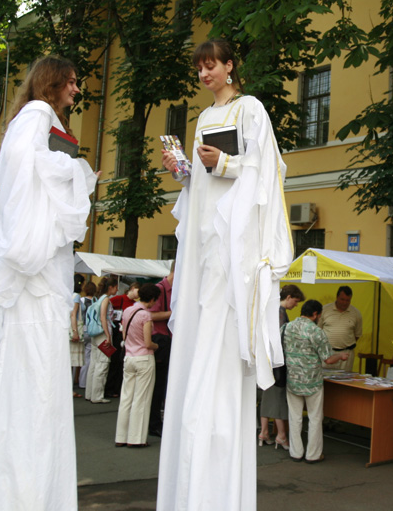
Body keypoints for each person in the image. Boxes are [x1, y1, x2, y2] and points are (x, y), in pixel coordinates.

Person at [157, 38, 292, 510]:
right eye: (198, 68)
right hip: (207, 240)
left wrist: (226, 162)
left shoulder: (250, 109)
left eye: (210, 65)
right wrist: (186, 170)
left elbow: (266, 169)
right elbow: (202, 182)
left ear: (230, 66)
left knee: (221, 336)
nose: (204, 74)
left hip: (234, 243)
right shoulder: (201, 119)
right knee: (200, 340)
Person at [0, 55, 98, 510]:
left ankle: (25, 492)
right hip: (33, 277)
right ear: (54, 83)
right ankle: (27, 495)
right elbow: (23, 181)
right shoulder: (39, 116)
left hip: (38, 276)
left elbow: (18, 181)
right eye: (73, 82)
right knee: (35, 389)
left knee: (32, 388)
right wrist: (75, 176)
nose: (77, 90)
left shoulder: (32, 120)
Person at [283, 299, 349, 463]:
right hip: (312, 381)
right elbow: (328, 359)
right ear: (315, 314)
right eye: (319, 315)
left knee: (295, 417)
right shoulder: (316, 332)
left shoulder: (287, 327)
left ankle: (295, 452)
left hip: (292, 379)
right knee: (314, 418)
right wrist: (341, 355)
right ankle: (313, 454)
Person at [259, 284, 304, 449]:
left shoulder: (273, 309)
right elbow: (278, 338)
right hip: (277, 362)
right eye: (296, 301)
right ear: (289, 297)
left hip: (268, 361)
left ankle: (264, 432)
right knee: (278, 398)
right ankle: (281, 435)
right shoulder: (280, 312)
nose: (296, 305)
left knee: (268, 396)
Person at [115, 283, 160, 448]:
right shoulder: (146, 315)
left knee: (126, 397)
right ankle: (136, 438)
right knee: (141, 399)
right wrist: (157, 346)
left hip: (129, 356)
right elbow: (148, 342)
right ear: (153, 299)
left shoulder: (128, 311)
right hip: (143, 358)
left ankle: (121, 436)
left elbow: (125, 334)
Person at [147, 265, 173, 437]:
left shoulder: (172, 289)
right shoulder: (159, 289)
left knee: (165, 384)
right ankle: (154, 422)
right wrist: (173, 313)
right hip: (160, 340)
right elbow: (149, 315)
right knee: (158, 385)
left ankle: (160, 421)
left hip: (168, 340)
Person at [86, 276, 118, 404]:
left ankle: (90, 393)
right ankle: (97, 395)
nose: (116, 290)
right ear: (110, 287)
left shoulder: (98, 299)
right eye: (116, 287)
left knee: (94, 363)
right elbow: (103, 318)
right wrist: (108, 335)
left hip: (95, 334)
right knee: (103, 363)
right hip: (102, 333)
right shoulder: (106, 300)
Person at [105, 282, 140, 398]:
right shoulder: (118, 299)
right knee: (114, 361)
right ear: (133, 288)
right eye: (138, 291)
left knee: (121, 362)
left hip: (126, 334)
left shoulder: (135, 304)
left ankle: (117, 388)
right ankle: (109, 387)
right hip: (117, 333)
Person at [318, 285, 362, 372]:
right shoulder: (324, 310)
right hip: (327, 352)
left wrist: (344, 344)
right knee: (325, 380)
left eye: (347, 300)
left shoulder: (356, 313)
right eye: (342, 299)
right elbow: (318, 331)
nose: (345, 303)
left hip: (346, 354)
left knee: (345, 381)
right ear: (337, 297)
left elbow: (357, 335)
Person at [77, 281, 97, 389]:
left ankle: (76, 381)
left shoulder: (81, 300)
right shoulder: (96, 301)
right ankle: (85, 382)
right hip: (92, 330)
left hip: (81, 329)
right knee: (88, 357)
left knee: (78, 357)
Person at [70, 275, 87, 397]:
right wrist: (75, 331)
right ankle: (69, 389)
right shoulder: (76, 296)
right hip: (74, 330)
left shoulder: (67, 295)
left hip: (67, 330)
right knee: (71, 362)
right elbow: (74, 314)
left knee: (69, 362)